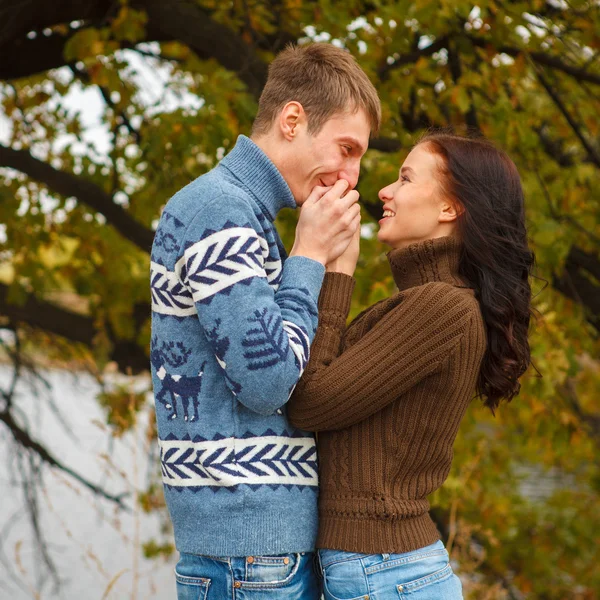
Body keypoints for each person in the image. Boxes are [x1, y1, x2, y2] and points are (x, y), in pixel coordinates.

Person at [149, 42, 381, 599]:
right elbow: (268, 380)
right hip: (250, 552)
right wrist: (308, 255)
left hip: (255, 550)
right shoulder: (220, 210)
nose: (350, 177)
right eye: (346, 149)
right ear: (293, 119)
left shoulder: (245, 216)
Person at [287, 132, 534, 600]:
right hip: (381, 572)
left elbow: (308, 401)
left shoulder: (442, 308)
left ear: (450, 208)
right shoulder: (423, 303)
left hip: (385, 575)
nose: (385, 191)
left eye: (404, 178)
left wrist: (334, 273)